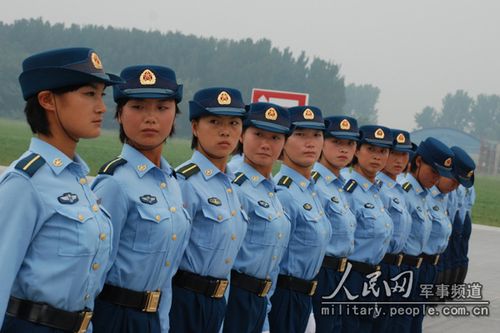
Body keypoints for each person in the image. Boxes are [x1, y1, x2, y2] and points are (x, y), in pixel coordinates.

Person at [0, 47, 122, 332]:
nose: (102, 107)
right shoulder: (26, 183)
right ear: (47, 100)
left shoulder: (77, 180)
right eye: (89, 94)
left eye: (101, 95)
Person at [90, 65, 190, 333]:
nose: (151, 118)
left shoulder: (172, 182)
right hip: (114, 318)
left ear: (174, 116)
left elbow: (167, 273)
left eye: (162, 108)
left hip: (153, 319)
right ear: (120, 115)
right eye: (138, 107)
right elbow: (94, 270)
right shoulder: (115, 182)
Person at [169, 87, 248, 333]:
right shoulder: (185, 182)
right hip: (184, 301)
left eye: (233, 123)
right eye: (214, 122)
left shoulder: (233, 186)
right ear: (195, 127)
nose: (225, 131)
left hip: (218, 301)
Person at [222, 102, 292, 333]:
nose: (265, 144)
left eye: (275, 138)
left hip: (260, 299)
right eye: (258, 134)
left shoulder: (272, 188)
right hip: (234, 298)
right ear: (242, 135)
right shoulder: (234, 183)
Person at [269, 106, 332, 333]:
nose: (311, 143)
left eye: (317, 135)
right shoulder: (282, 192)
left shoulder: (311, 190)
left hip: (306, 295)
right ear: (284, 140)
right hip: (284, 295)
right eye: (301, 134)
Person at [391, 137, 454, 333]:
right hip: (401, 270)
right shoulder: (402, 191)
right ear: (418, 162)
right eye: (433, 171)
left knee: (413, 324)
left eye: (441, 174)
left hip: (419, 269)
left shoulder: (424, 195)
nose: (436, 178)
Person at [340, 125, 394, 333]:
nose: (377, 156)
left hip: (373, 277)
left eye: (383, 151)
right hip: (351, 277)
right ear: (357, 150)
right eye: (371, 149)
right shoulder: (349, 191)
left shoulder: (378, 192)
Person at [310, 116, 359, 333]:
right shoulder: (314, 184)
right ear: (322, 144)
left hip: (343, 272)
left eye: (349, 144)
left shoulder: (342, 186)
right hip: (322, 272)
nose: (344, 149)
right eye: (336, 142)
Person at [372, 129, 414, 333]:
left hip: (397, 267)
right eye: (395, 153)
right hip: (381, 265)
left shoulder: (400, 189)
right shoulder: (377, 187)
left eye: (404, 155)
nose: (399, 160)